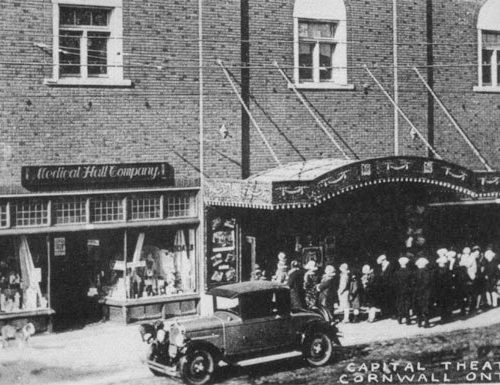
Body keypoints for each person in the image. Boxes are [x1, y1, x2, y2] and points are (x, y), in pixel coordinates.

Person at [414, 257, 433, 328]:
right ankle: (426, 322)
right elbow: (427, 282)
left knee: (418, 306)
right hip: (426, 292)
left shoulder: (416, 272)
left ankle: (419, 322)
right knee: (426, 306)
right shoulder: (427, 272)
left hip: (417, 292)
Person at [394, 256, 414, 325]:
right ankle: (408, 319)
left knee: (400, 303)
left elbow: (395, 283)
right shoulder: (409, 272)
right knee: (407, 304)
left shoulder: (397, 272)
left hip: (399, 290)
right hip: (408, 290)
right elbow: (412, 282)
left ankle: (400, 318)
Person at [435, 254, 452, 322]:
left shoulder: (436, 271)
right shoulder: (447, 270)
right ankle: (447, 316)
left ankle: (443, 317)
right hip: (446, 289)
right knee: (446, 303)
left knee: (441, 303)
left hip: (439, 290)